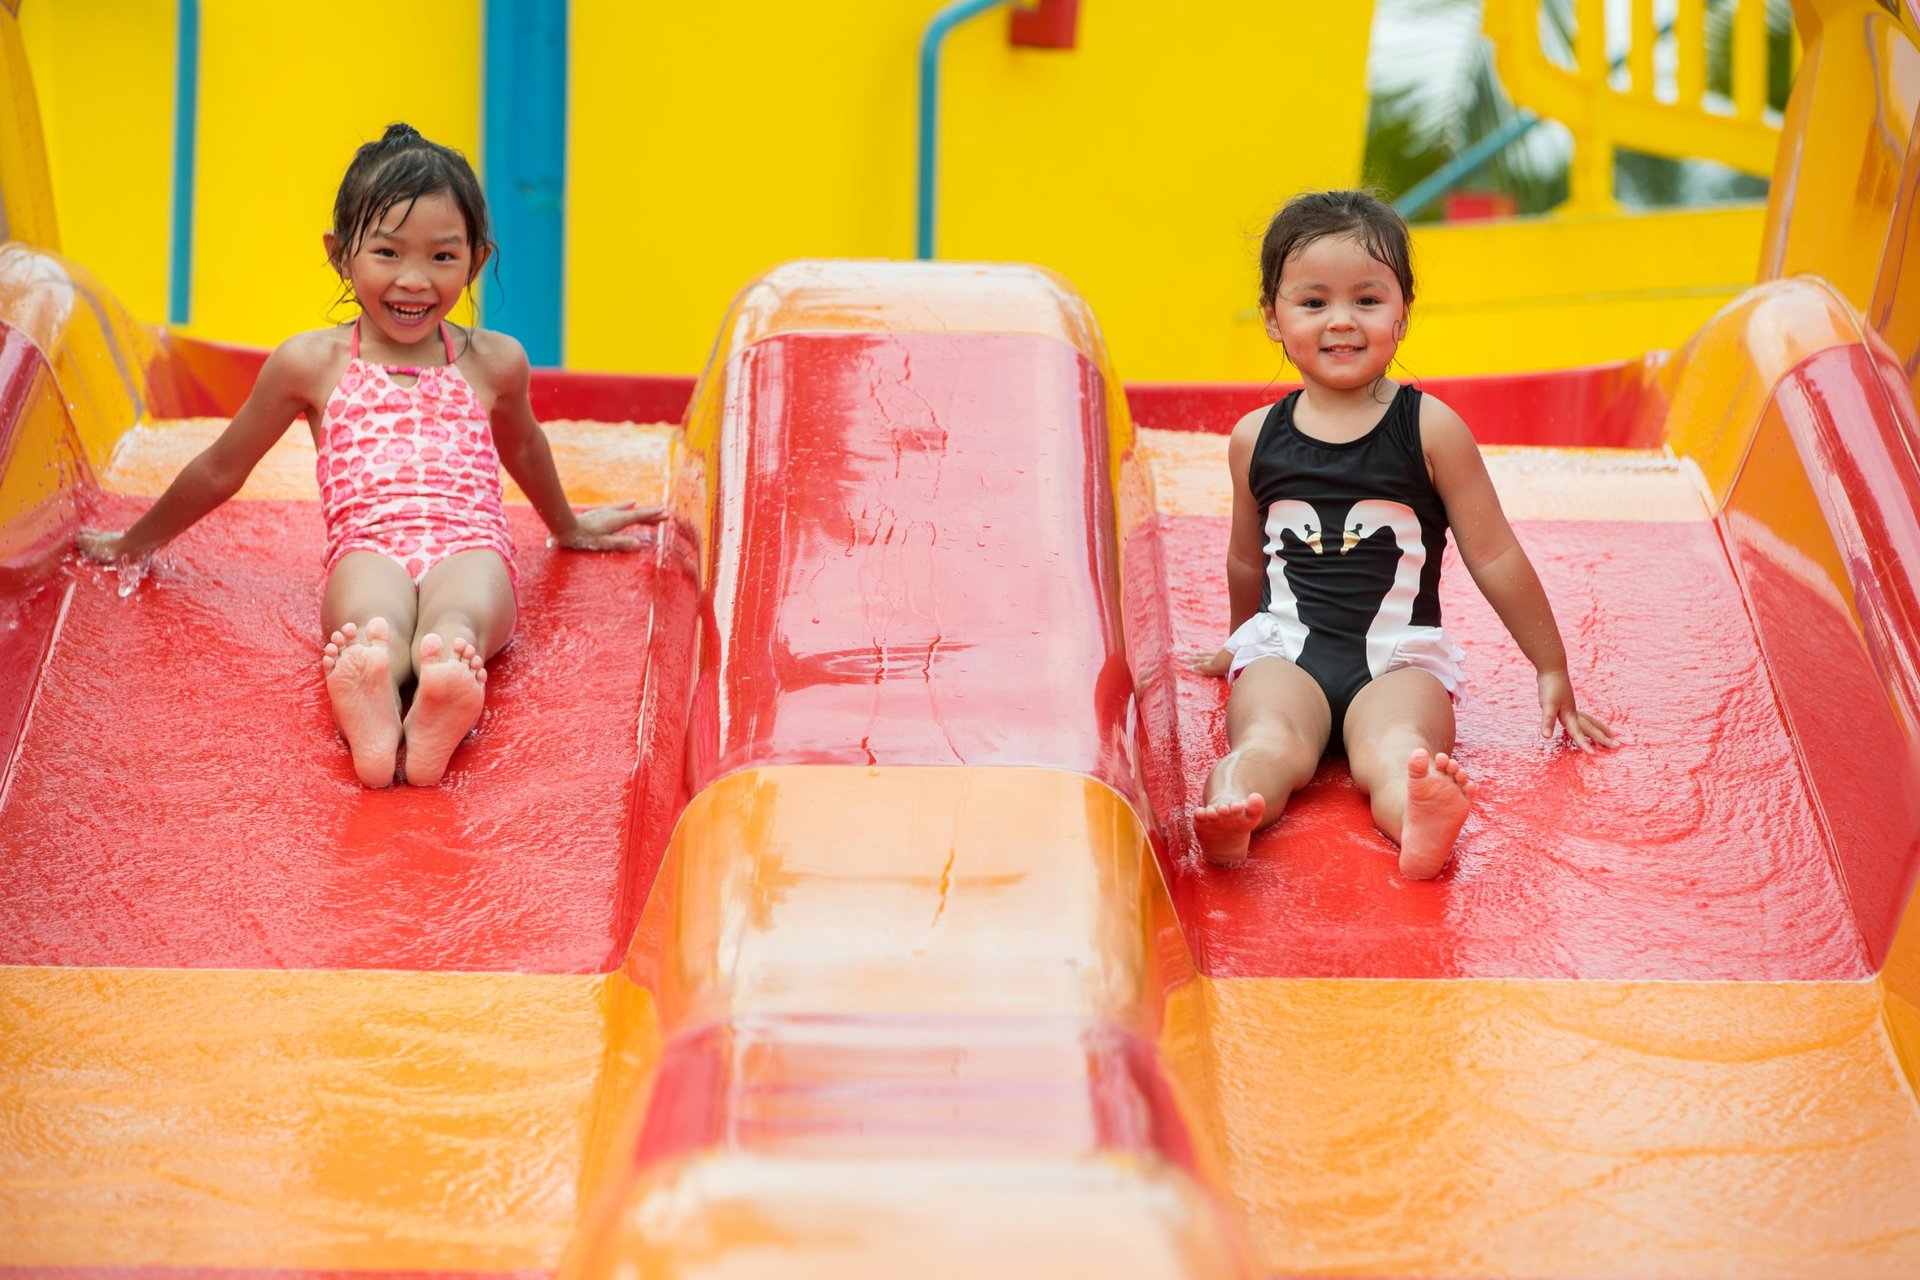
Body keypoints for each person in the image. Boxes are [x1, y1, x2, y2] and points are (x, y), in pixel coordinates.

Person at [78, 123, 659, 788]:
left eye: (442, 256)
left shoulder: (494, 361)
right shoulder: (312, 362)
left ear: (476, 260)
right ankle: (373, 698)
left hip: (469, 542)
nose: (414, 280)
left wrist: (568, 525)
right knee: (368, 620)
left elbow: (523, 444)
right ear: (339, 255)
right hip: (369, 544)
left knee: (460, 618)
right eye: (387, 252)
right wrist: (134, 542)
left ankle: (443, 684)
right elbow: (221, 467)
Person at [1189, 190, 1613, 877]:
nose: (1342, 320)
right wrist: (1238, 645)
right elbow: (1246, 559)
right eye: (1314, 302)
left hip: (1397, 661)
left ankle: (1419, 824)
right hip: (1286, 654)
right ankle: (1232, 810)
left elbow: (1495, 553)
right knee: (1267, 739)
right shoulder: (1254, 438)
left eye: (1367, 299)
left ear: (1402, 314)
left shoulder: (1431, 429)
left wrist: (1551, 666)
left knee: (1399, 749)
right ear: (1272, 317)